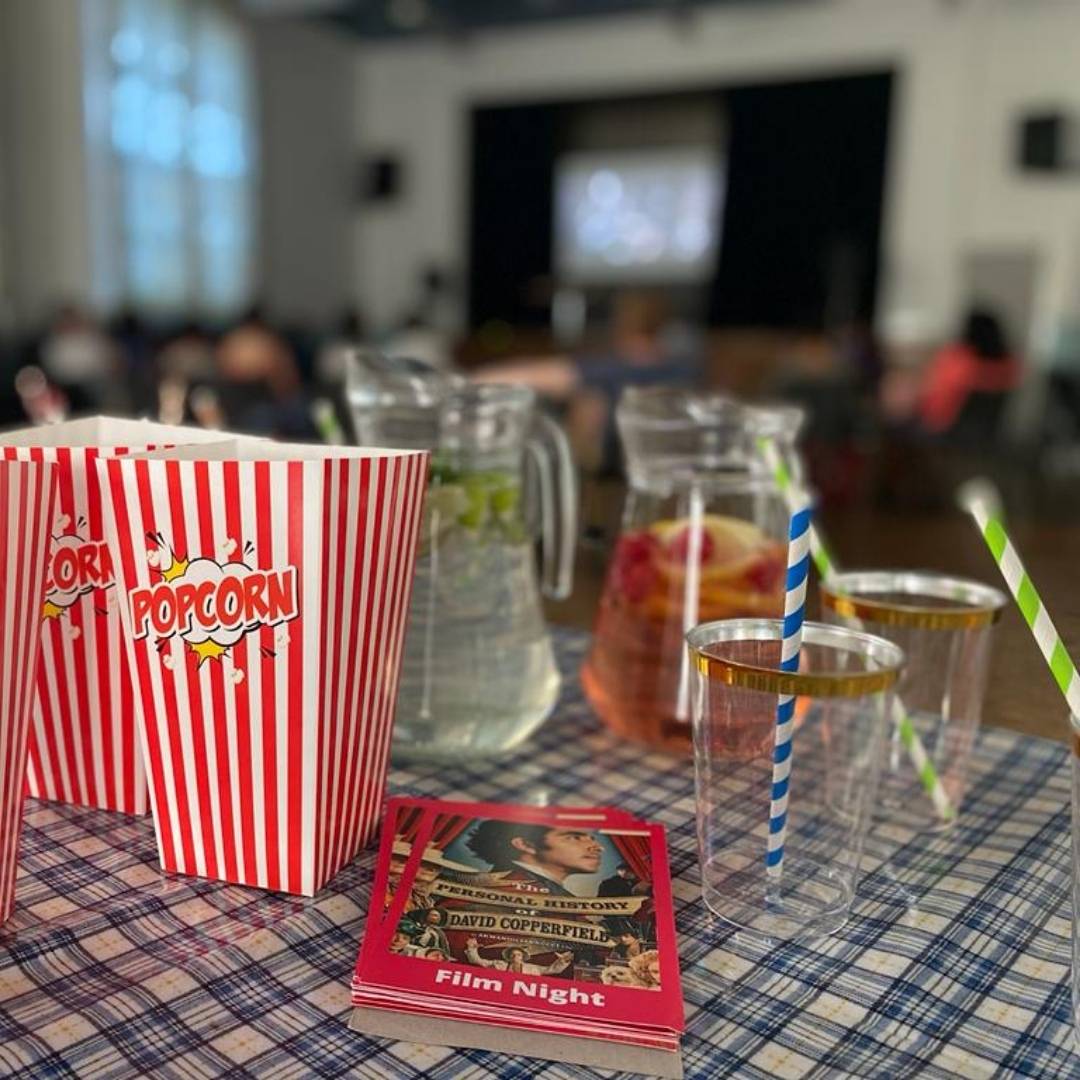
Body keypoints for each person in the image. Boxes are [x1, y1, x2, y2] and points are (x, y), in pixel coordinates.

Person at [917, 307, 1021, 436]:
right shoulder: (1009, 367)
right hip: (984, 436)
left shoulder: (959, 359)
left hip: (942, 427)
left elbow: (933, 395)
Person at [464, 820, 603, 896]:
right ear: (524, 844)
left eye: (592, 838)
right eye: (574, 837)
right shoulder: (503, 888)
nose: (598, 847)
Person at [464, 938, 573, 976]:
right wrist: (472, 948)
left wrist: (563, 960)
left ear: (522, 957)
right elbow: (477, 961)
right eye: (513, 954)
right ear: (509, 957)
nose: (515, 956)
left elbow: (553, 969)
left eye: (518, 954)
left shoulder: (533, 969)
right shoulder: (498, 965)